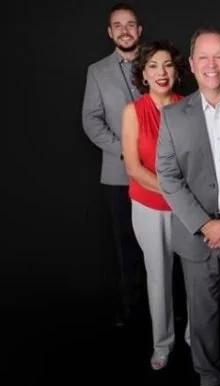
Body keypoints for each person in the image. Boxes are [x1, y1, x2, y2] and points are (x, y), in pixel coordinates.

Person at [155, 27, 220, 386]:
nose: (212, 65)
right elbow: (167, 175)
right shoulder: (174, 115)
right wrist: (204, 223)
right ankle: (209, 383)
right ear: (192, 65)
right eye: (204, 57)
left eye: (219, 56)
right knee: (203, 316)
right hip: (197, 235)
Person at [121, 40, 188, 370]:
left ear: (176, 72)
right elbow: (133, 168)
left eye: (167, 65)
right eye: (153, 66)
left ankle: (194, 334)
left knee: (196, 275)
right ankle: (163, 344)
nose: (161, 72)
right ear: (143, 74)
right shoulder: (133, 111)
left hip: (188, 209)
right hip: (149, 206)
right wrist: (174, 191)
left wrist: (183, 198)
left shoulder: (189, 107)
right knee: (158, 277)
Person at [82, 3, 144, 327]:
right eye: (118, 25)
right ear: (110, 33)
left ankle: (167, 310)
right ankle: (131, 310)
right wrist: (125, 151)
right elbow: (91, 122)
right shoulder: (97, 71)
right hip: (118, 174)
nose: (124, 30)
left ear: (139, 30)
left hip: (160, 176)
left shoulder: (157, 65)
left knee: (165, 245)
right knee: (127, 246)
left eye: (130, 24)